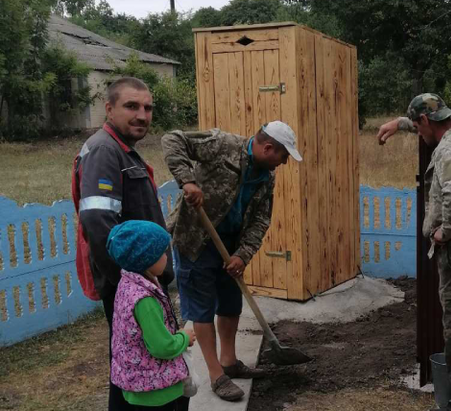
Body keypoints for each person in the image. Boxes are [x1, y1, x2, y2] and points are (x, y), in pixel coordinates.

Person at [161, 121, 302, 401]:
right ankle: (216, 375)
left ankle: (229, 361)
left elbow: (261, 219)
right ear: (268, 147)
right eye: (283, 157)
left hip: (230, 246)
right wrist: (187, 181)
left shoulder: (266, 175)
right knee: (201, 309)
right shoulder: (222, 145)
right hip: (197, 240)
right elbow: (172, 139)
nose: (283, 163)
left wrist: (243, 254)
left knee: (230, 305)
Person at [377, 94, 451, 411]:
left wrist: (447, 230)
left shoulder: (448, 149)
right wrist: (399, 123)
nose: (418, 134)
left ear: (426, 122)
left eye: (417, 128)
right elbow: (427, 122)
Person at [71, 77, 178, 411]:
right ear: (109, 108)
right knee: (138, 363)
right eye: (131, 106)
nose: (142, 115)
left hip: (136, 281)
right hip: (128, 283)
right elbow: (98, 222)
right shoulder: (105, 149)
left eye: (147, 108)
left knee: (129, 361)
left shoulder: (120, 148)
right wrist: (130, 285)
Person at [107, 220, 196, 411]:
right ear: (146, 259)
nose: (166, 256)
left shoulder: (127, 284)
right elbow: (161, 347)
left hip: (137, 384)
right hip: (156, 390)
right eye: (162, 252)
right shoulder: (145, 300)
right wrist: (183, 338)